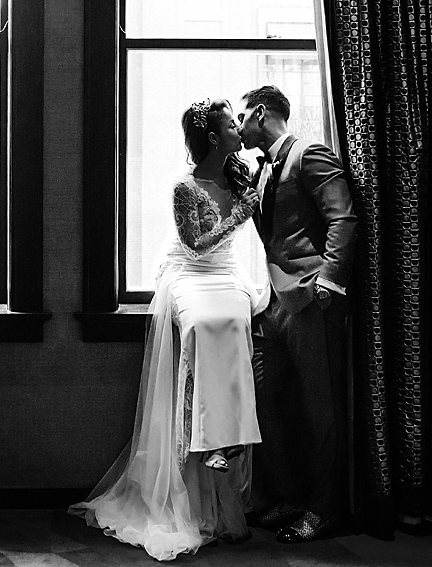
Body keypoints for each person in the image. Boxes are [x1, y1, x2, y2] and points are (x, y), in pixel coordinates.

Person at [69, 98, 268, 561]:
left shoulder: (240, 174)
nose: (240, 129)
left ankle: (230, 441)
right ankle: (212, 442)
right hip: (191, 272)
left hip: (227, 272)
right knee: (201, 325)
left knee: (237, 322)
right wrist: (242, 212)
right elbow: (196, 245)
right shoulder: (184, 187)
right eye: (231, 125)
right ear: (214, 138)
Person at [235, 85, 358, 543]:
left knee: (319, 410)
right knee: (266, 401)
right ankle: (286, 496)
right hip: (270, 305)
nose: (240, 124)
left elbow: (342, 217)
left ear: (261, 113)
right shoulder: (261, 170)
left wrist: (329, 280)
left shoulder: (310, 154)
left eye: (242, 115)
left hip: (311, 300)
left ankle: (324, 510)